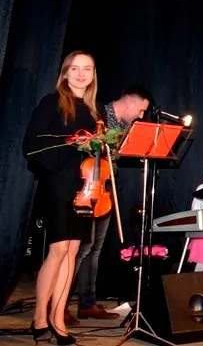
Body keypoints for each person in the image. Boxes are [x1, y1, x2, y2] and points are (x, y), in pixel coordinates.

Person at [23, 51, 102, 345]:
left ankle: (54, 318)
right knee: (58, 251)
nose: (81, 74)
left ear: (93, 75)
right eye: (75, 68)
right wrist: (72, 143)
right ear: (65, 72)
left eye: (87, 69)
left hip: (84, 187)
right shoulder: (52, 102)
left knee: (72, 251)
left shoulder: (93, 111)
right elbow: (32, 145)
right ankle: (42, 317)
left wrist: (100, 146)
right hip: (58, 182)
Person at [72, 85, 152, 322]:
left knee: (94, 249)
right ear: (128, 102)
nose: (141, 116)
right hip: (86, 187)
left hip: (106, 189)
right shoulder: (96, 114)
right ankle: (59, 303)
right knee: (80, 249)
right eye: (140, 110)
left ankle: (87, 303)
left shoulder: (126, 126)